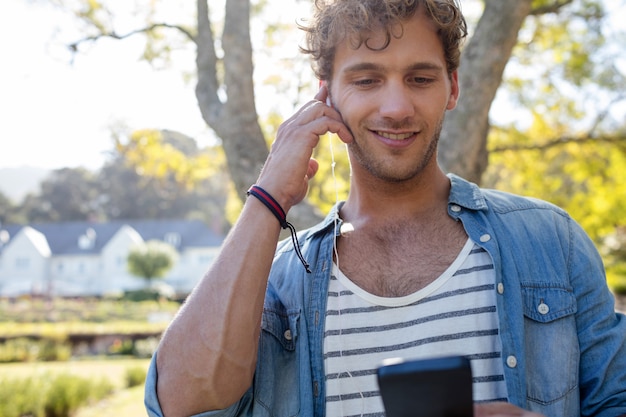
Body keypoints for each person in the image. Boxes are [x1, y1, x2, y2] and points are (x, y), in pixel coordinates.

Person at [145, 0, 626, 416]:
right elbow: (182, 406)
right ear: (327, 94)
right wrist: (269, 196)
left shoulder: (551, 242)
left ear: (452, 88)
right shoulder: (274, 285)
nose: (396, 106)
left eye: (419, 78)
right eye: (367, 79)